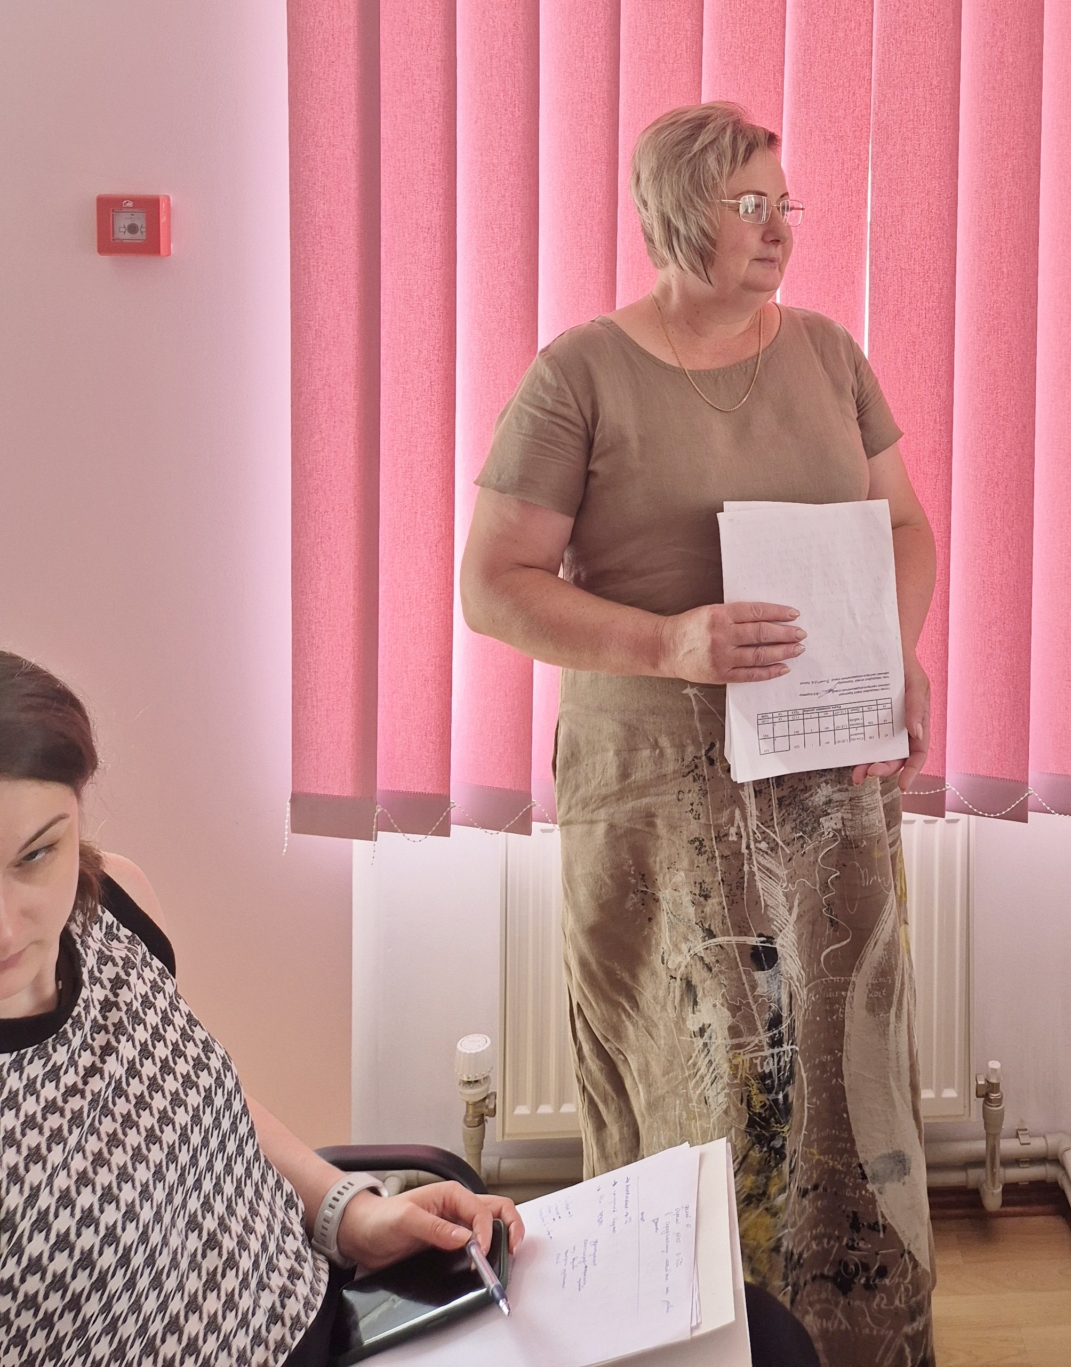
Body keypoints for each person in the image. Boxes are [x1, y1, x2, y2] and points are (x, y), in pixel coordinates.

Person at [460, 102, 937, 1367]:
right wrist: (669, 644)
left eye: (787, 203)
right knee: (692, 1089)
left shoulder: (830, 355)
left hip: (824, 779)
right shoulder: (578, 374)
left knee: (841, 1088)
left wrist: (893, 652)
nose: (781, 228)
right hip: (655, 794)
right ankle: (686, 1347)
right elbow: (493, 585)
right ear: (680, 214)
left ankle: (851, 1348)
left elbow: (904, 527)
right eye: (752, 205)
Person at [0, 649, 523, 1367]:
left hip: (344, 1324)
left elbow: (196, 1099)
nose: (6, 928)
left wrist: (351, 1214)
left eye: (35, 855)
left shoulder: (113, 905)